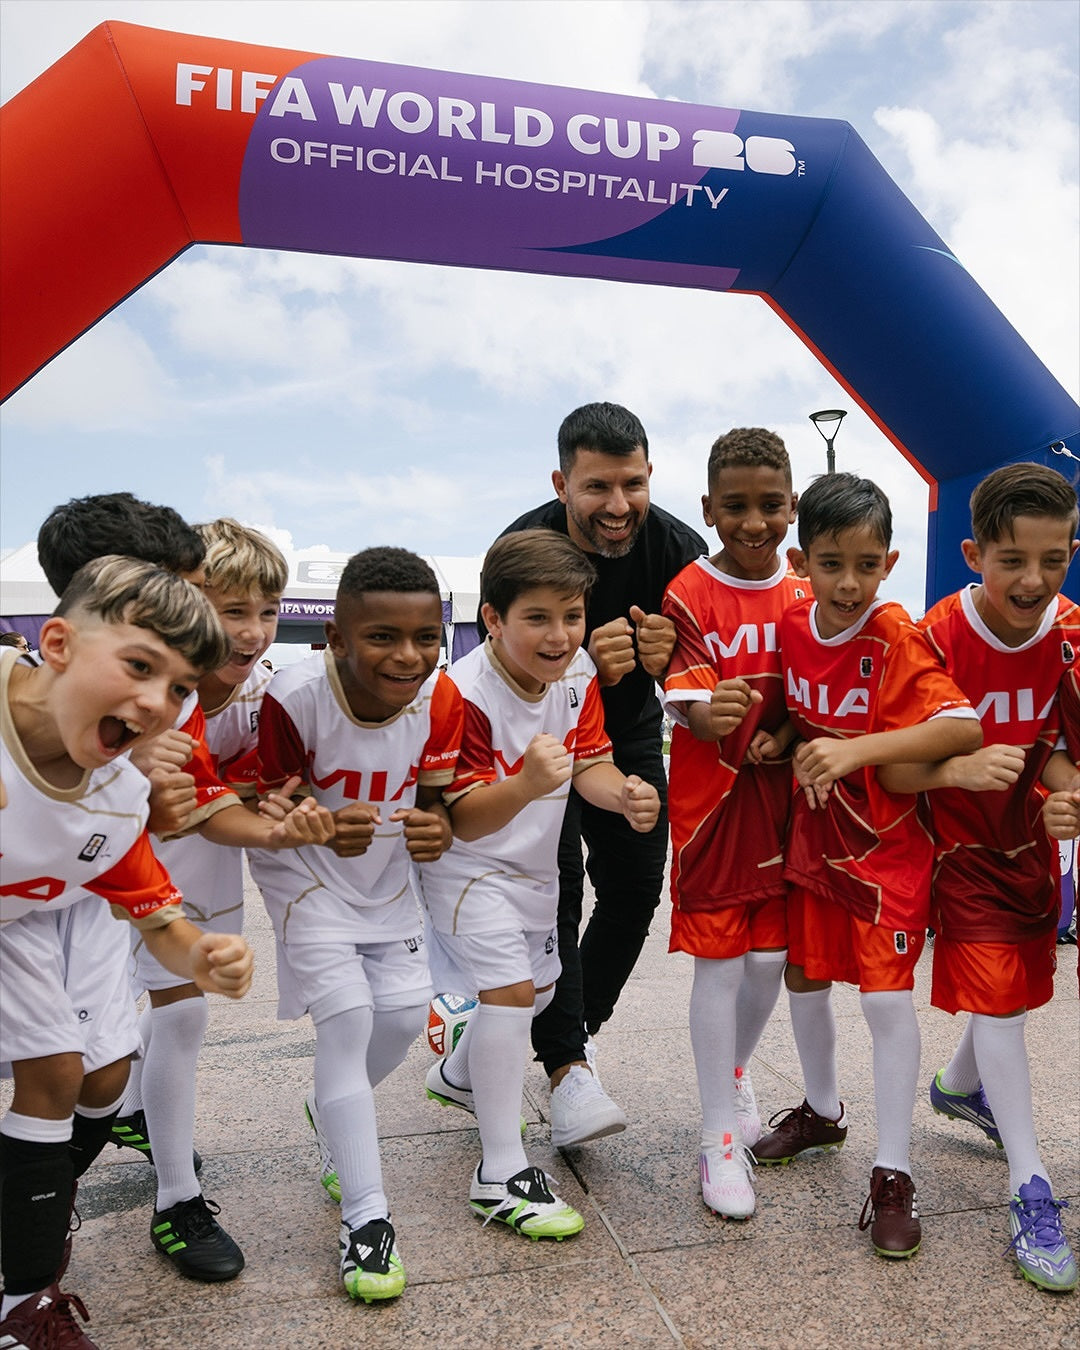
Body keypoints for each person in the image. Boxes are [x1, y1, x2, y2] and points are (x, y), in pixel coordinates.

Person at [0, 556, 255, 1350]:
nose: (157, 703)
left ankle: (24, 1290)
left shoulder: (115, 798)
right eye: (140, 667)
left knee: (81, 1075)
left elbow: (156, 914)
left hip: (20, 926)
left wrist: (202, 956)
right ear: (57, 644)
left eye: (180, 688)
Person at [753, 472, 981, 1261]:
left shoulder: (895, 635)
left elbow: (961, 726)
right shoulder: (792, 623)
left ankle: (894, 1172)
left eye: (866, 564)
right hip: (817, 838)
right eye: (831, 564)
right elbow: (799, 702)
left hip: (888, 851)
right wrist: (786, 736)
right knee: (803, 975)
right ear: (801, 563)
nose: (849, 583)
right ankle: (822, 1111)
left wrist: (854, 751)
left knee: (885, 1003)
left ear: (889, 563)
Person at [419, 531, 660, 1238]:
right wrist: (525, 784)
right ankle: (500, 1172)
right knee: (512, 995)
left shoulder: (577, 673)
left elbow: (589, 763)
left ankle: (459, 1074)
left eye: (572, 616)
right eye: (538, 618)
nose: (559, 636)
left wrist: (624, 796)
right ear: (493, 619)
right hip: (465, 869)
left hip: (530, 871)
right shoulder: (459, 695)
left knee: (543, 994)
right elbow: (461, 818)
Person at [114, 519, 335, 1282]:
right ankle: (152, 1161)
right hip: (112, 864)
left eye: (267, 611)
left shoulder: (269, 691)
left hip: (202, 857)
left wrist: (277, 805)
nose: (251, 630)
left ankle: (167, 1178)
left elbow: (243, 790)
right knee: (117, 1020)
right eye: (231, 609)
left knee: (180, 1010)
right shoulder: (144, 689)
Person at [250, 548, 464, 1304]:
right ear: (336, 638)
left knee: (403, 1018)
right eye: (382, 636)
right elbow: (269, 803)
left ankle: (331, 1111)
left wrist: (437, 828)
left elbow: (436, 803)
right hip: (305, 877)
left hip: (385, 879)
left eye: (425, 636)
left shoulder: (442, 698)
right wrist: (310, 819)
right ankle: (367, 1221)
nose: (407, 655)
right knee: (347, 1022)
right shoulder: (293, 696)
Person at [492, 402, 706, 1146]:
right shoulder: (520, 547)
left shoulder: (680, 548)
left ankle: (567, 1033)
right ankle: (567, 1070)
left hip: (632, 737)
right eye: (597, 487)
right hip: (541, 739)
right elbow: (499, 665)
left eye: (633, 484)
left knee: (637, 886)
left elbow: (703, 672)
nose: (619, 505)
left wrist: (672, 664)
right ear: (561, 485)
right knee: (555, 891)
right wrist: (581, 664)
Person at [897, 463, 1079, 1293]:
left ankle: (960, 1086)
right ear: (974, 555)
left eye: (1054, 560)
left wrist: (1065, 797)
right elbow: (891, 767)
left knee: (1015, 990)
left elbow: (1061, 754)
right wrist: (953, 774)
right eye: (1012, 560)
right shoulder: (933, 639)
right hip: (954, 855)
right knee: (1001, 999)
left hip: (1029, 852)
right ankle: (1030, 1189)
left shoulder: (1070, 634)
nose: (1033, 580)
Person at [661, 428, 806, 1219]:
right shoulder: (688, 590)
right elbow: (686, 701)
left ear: (792, 506)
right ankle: (718, 1138)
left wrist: (783, 732)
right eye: (737, 506)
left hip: (786, 808)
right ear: (709, 508)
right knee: (718, 967)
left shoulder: (806, 590)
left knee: (771, 961)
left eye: (770, 504)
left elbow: (820, 687)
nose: (755, 522)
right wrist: (712, 717)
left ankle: (736, 1071)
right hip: (712, 809)